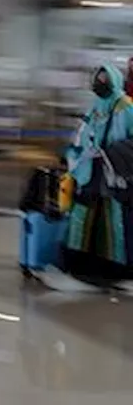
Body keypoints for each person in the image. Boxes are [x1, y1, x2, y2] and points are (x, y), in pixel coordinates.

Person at [48, 64, 133, 289]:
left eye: (104, 78)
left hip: (113, 176)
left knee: (112, 222)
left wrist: (111, 154)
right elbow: (81, 135)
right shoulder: (95, 107)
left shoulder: (126, 107)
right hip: (89, 175)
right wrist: (73, 156)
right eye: (98, 78)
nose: (99, 83)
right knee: (82, 218)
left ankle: (111, 271)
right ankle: (80, 266)